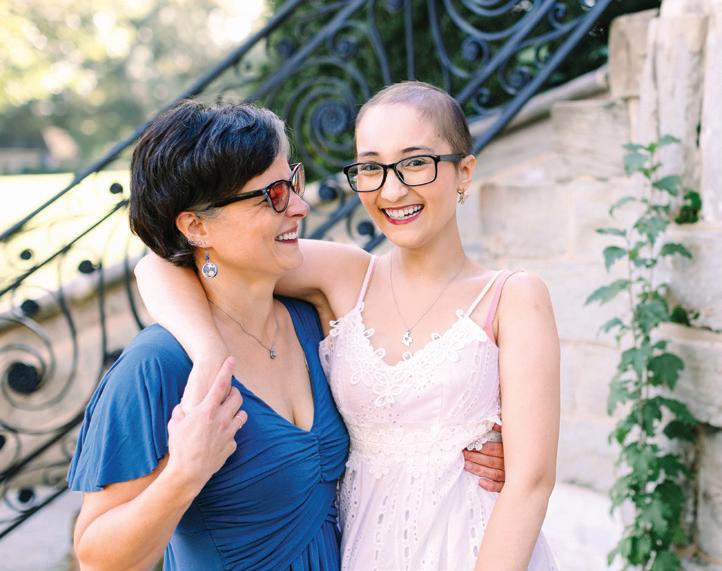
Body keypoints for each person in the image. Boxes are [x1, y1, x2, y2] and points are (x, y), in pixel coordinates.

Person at [136, 81, 557, 570]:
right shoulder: (345, 276)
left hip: (475, 546)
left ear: (464, 171)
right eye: (372, 168)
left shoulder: (514, 296)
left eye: (415, 163)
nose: (392, 190)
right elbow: (163, 265)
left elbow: (530, 484)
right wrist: (209, 354)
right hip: (364, 549)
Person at [68, 101, 350, 570]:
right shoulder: (157, 365)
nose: (300, 206)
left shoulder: (311, 318)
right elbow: (97, 559)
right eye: (272, 195)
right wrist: (185, 473)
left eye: (293, 182)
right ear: (196, 226)